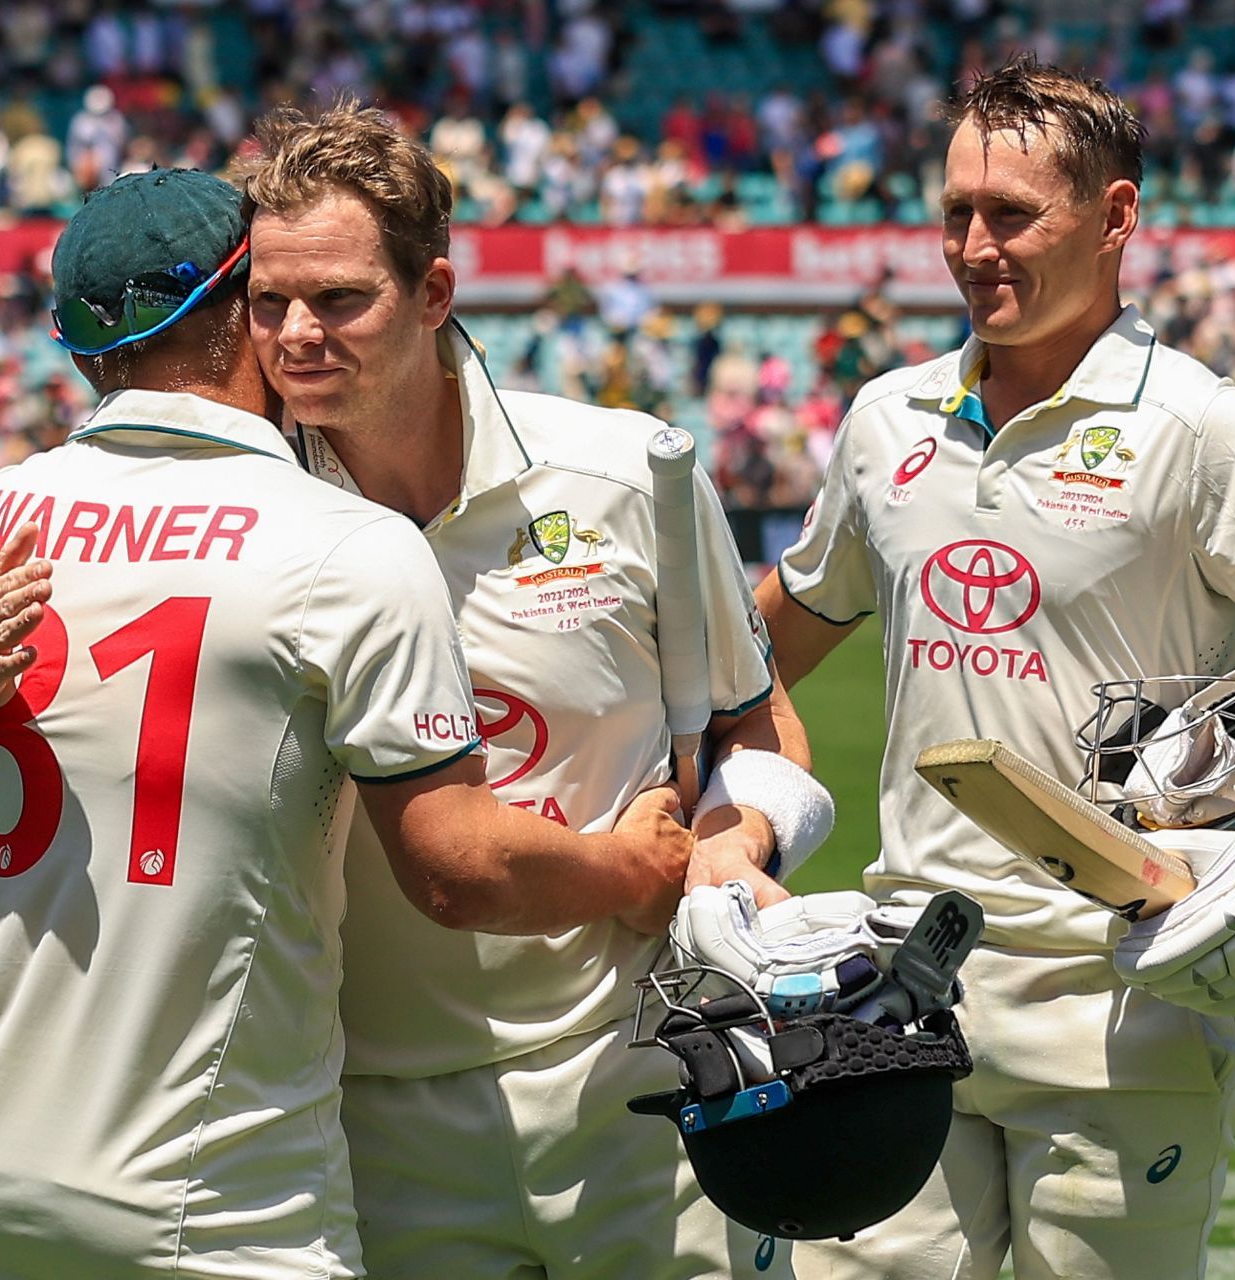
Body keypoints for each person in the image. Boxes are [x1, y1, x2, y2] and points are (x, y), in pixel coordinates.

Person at [756, 60, 1235, 1279]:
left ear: (1116, 218)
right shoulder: (888, 416)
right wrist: (734, 826)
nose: (976, 246)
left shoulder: (1202, 427)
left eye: (1013, 215)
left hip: (1125, 997)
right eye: (956, 214)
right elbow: (759, 649)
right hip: (904, 979)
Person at [0, 169, 694, 1278]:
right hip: (216, 1187)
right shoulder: (348, 543)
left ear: (83, 350)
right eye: (272, 300)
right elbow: (456, 867)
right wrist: (633, 866)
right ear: (242, 312)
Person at [235, 104, 829, 1278]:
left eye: (340, 298)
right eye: (268, 300)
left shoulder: (629, 471)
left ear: (436, 292)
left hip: (647, 1068)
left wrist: (741, 830)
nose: (296, 334)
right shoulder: (247, 521)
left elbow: (757, 721)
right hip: (366, 1107)